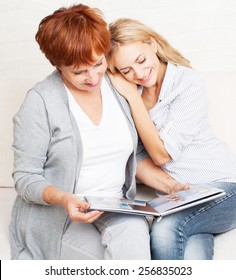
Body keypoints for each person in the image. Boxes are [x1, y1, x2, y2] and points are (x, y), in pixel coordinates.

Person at [9, 4, 157, 260]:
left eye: (98, 63)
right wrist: (65, 199)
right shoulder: (40, 101)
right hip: (61, 217)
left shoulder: (117, 85)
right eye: (78, 71)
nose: (92, 78)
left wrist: (173, 187)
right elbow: (25, 178)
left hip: (116, 206)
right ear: (57, 65)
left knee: (135, 246)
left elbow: (135, 154)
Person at [106, 18, 236, 259]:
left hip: (225, 187)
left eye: (141, 60)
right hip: (182, 196)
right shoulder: (128, 94)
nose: (139, 73)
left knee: (166, 229)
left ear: (153, 45)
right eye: (126, 70)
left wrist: (134, 100)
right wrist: (170, 186)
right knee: (192, 250)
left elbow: (162, 154)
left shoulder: (186, 83)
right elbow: (136, 157)